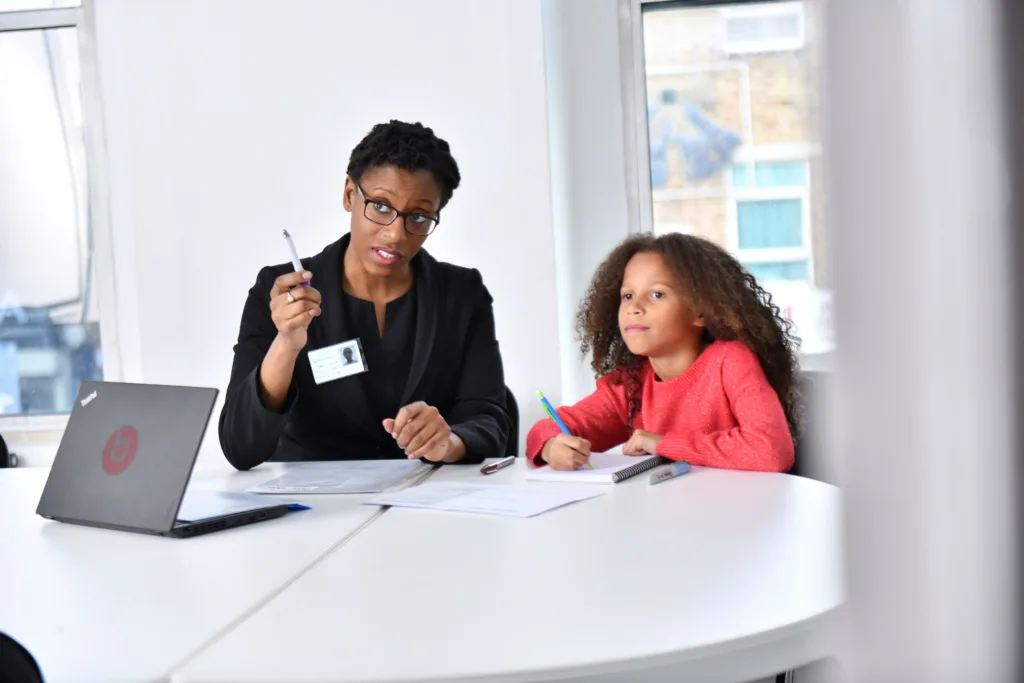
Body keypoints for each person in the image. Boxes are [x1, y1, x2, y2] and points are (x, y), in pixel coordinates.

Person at [220, 120, 510, 469]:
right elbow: (240, 447)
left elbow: (491, 418)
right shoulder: (280, 291)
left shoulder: (462, 295)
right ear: (349, 195)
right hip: (317, 509)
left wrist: (450, 441)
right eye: (382, 207)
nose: (395, 235)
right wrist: (286, 344)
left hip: (429, 501)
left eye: (418, 216)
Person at [526, 232, 800, 472]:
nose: (634, 307)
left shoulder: (731, 361)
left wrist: (663, 443)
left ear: (700, 311)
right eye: (628, 296)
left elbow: (771, 450)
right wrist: (551, 446)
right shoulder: (630, 386)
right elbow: (548, 428)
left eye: (657, 294)